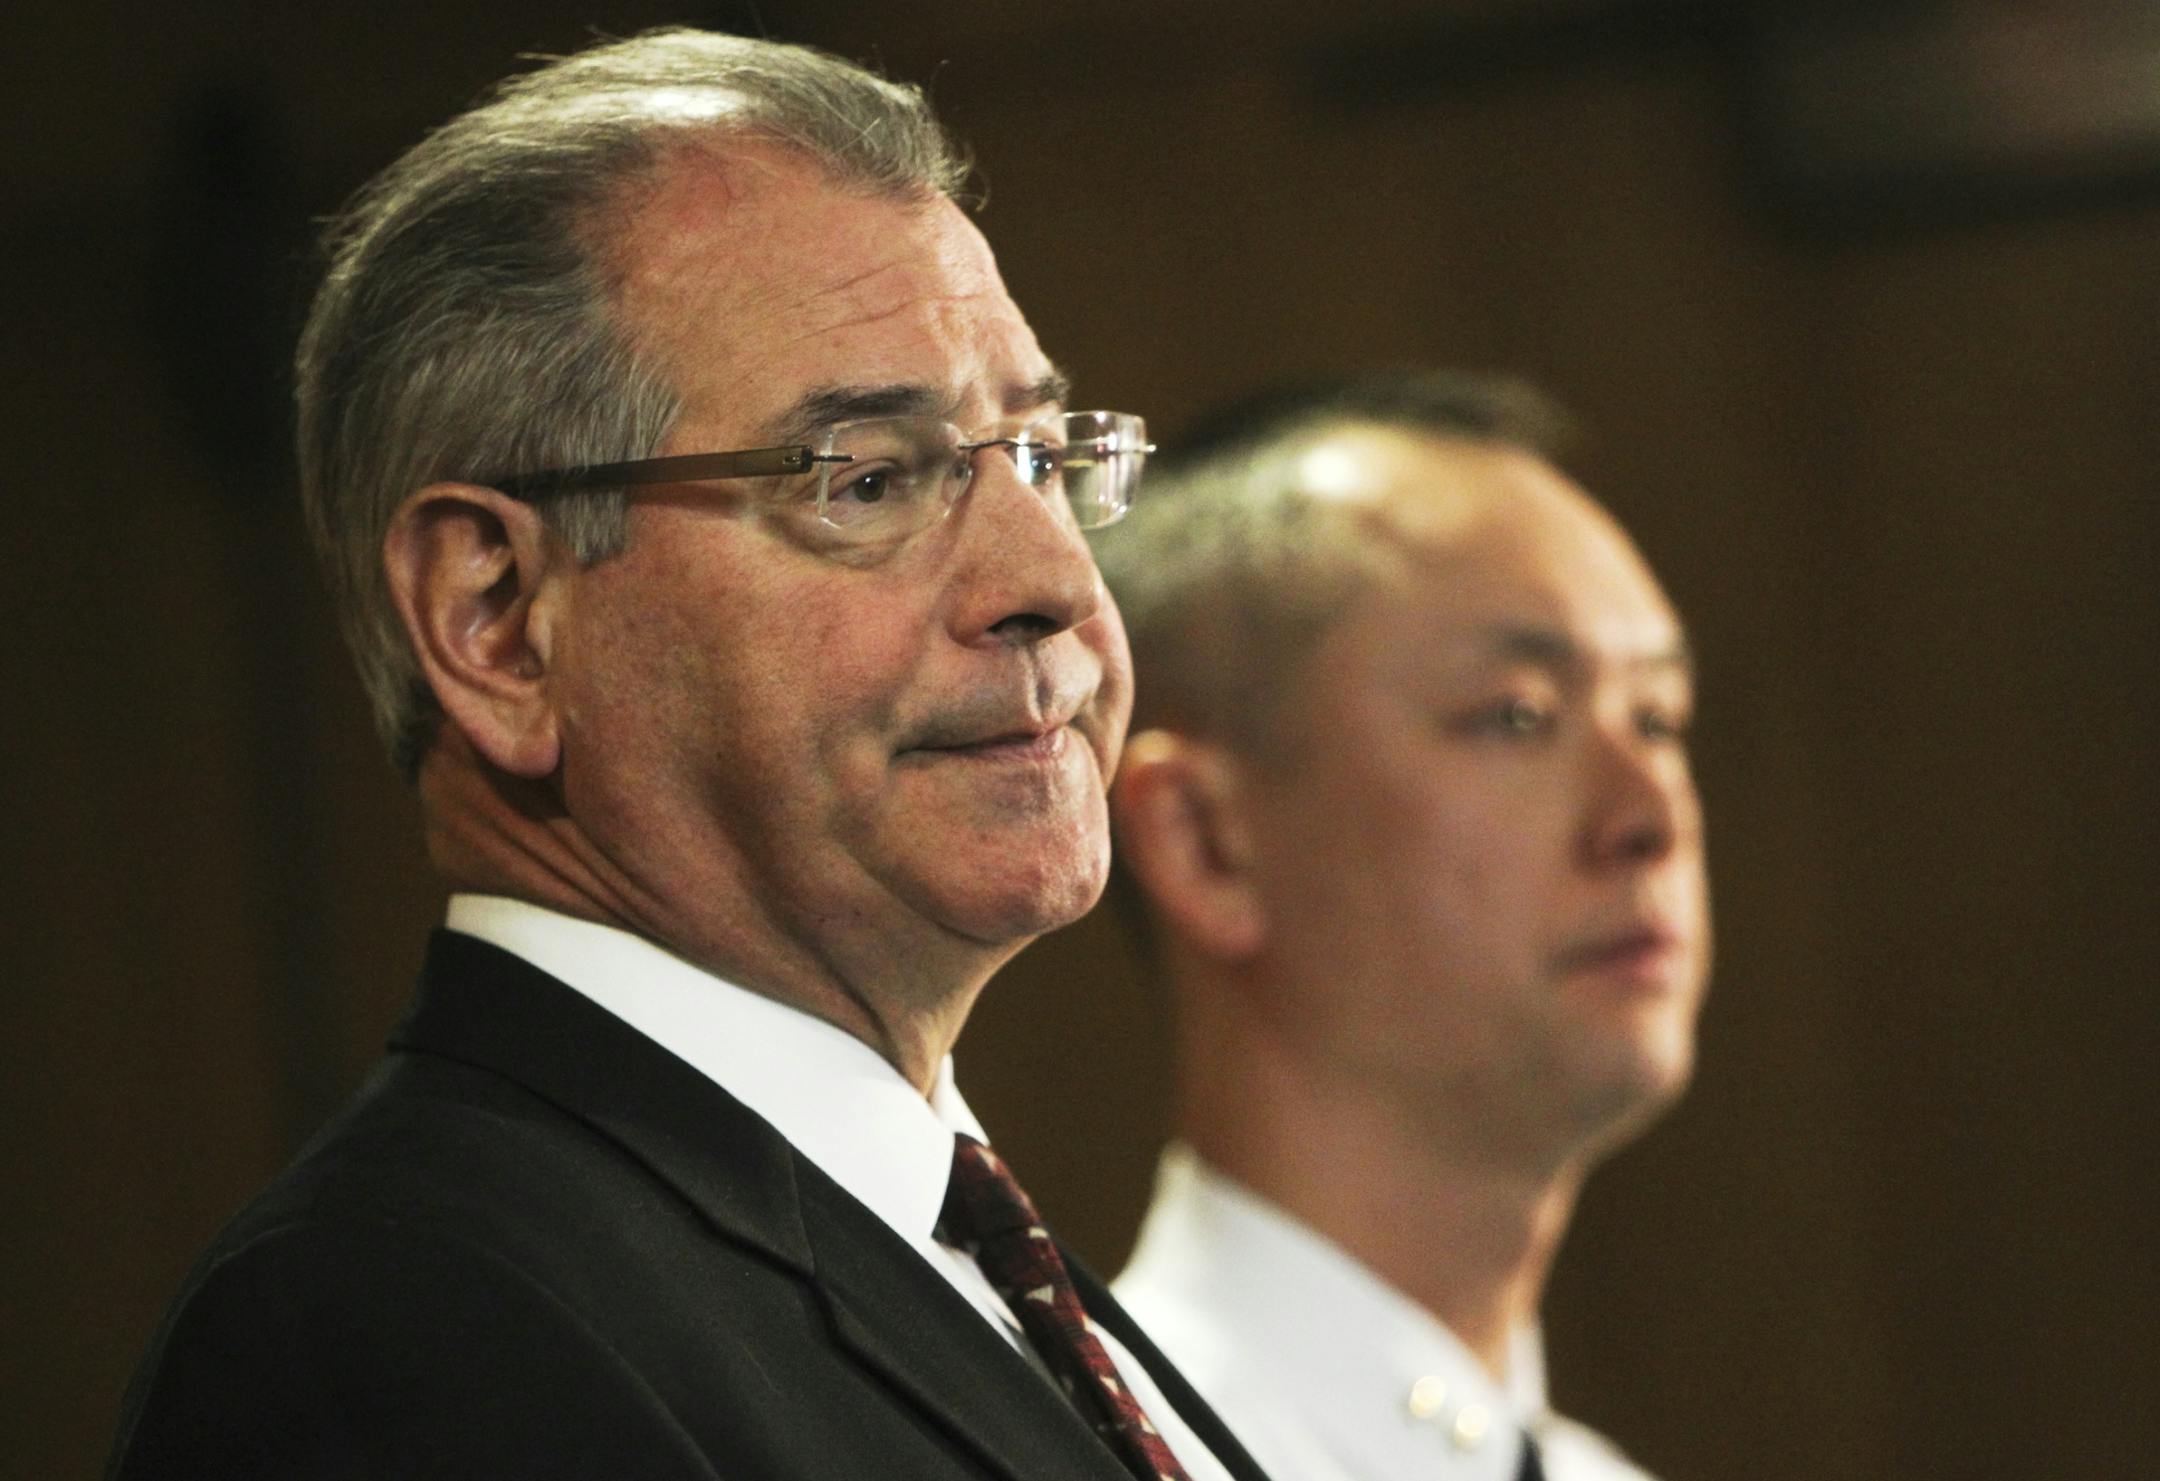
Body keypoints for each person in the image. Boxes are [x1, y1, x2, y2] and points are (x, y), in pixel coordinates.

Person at [108, 30, 1267, 1481]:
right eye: (867, 477)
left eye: (1040, 457)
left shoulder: (956, 1253)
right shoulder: (400, 1333)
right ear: (497, 620)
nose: (1053, 581)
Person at [1096, 372, 1710, 1481]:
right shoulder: (1078, 1448)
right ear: (1205, 840)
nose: (1650, 815)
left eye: (1658, 716)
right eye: (1516, 714)